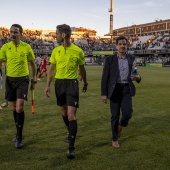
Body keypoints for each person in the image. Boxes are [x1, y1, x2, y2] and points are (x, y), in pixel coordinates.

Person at [44, 24, 88, 159]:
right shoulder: (55, 51)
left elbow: (82, 68)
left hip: (72, 84)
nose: (55, 36)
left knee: (71, 115)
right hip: (59, 84)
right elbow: (51, 69)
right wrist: (47, 85)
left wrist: (85, 81)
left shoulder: (78, 51)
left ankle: (71, 148)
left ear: (63, 35)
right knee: (63, 111)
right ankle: (70, 132)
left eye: (56, 34)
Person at [0, 24, 37, 148]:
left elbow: (33, 65)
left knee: (20, 108)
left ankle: (19, 137)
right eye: (11, 32)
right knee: (13, 107)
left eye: (15, 32)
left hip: (23, 80)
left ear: (21, 34)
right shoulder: (5, 47)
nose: (12, 34)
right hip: (10, 80)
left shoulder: (26, 47)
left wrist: (35, 79)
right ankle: (17, 133)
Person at [101, 36, 141, 148]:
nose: (123, 46)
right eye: (120, 44)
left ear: (127, 45)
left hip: (126, 89)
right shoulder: (110, 60)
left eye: (125, 44)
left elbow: (135, 73)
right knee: (114, 115)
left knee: (128, 113)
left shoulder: (131, 58)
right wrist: (104, 94)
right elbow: (105, 78)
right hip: (114, 90)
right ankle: (115, 139)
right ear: (116, 46)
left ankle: (120, 125)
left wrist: (138, 77)